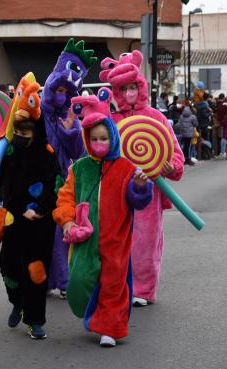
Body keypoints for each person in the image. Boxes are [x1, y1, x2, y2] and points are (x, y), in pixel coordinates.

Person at [53, 94, 153, 347]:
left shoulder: (126, 168)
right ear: (87, 139)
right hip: (85, 239)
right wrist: (67, 222)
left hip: (116, 239)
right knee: (78, 283)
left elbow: (138, 201)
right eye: (94, 138)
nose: (99, 143)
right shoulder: (79, 168)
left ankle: (110, 326)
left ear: (113, 138)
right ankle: (94, 312)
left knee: (113, 284)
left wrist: (141, 187)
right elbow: (65, 198)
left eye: (104, 138)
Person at [99, 50, 184, 306]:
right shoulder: (110, 120)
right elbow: (98, 149)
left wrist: (170, 167)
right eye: (123, 88)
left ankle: (143, 289)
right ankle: (116, 285)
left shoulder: (156, 118)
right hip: (116, 189)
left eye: (133, 86)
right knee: (114, 239)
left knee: (146, 242)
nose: (129, 92)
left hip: (149, 188)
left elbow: (176, 155)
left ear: (142, 86)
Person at [0, 115, 60, 340]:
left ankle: (35, 320)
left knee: (35, 273)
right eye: (17, 133)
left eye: (25, 135)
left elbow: (56, 184)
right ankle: (17, 302)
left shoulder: (46, 153)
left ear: (35, 134)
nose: (19, 138)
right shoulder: (8, 151)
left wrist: (40, 209)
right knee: (7, 265)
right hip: (13, 220)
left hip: (39, 225)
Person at [41, 39, 94, 299]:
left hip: (61, 180)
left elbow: (77, 152)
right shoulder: (36, 111)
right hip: (37, 181)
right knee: (39, 233)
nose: (61, 96)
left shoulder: (68, 117)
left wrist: (71, 129)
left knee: (61, 230)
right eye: (58, 89)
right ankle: (45, 279)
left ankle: (63, 281)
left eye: (67, 91)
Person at [178, 101, 198, 165]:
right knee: (188, 146)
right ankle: (187, 159)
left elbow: (179, 124)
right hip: (189, 134)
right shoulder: (192, 117)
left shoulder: (181, 116)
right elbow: (196, 124)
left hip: (182, 133)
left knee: (182, 146)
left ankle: (182, 158)